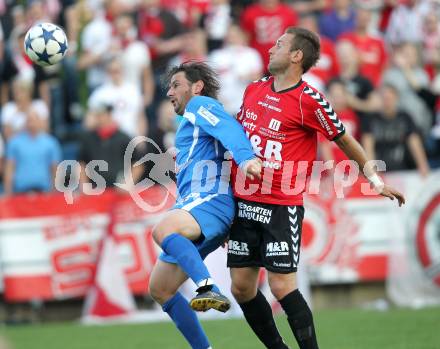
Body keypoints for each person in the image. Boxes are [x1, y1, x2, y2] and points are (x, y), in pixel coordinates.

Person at [227, 27, 405, 349]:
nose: (271, 48)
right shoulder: (253, 89)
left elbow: (344, 139)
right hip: (242, 202)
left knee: (282, 286)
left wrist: (375, 180)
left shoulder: (309, 100)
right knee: (240, 287)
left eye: (279, 45)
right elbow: (239, 141)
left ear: (296, 56)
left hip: (280, 206)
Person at [148, 62, 262, 349]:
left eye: (176, 85)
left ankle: (207, 286)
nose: (170, 92)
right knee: (160, 288)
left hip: (210, 200)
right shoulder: (190, 121)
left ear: (196, 87)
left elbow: (229, 128)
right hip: (197, 206)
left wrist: (246, 157)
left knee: (162, 229)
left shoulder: (200, 104)